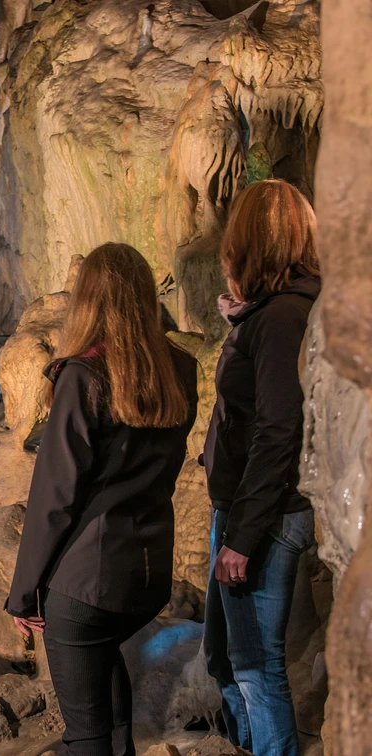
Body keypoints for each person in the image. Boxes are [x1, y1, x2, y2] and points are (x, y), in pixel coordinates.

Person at [6, 243, 198, 756]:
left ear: (88, 300)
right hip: (145, 574)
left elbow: (55, 497)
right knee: (112, 717)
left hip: (86, 583)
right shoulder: (180, 369)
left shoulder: (83, 376)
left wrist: (24, 592)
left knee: (85, 735)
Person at [203, 178, 320, 756]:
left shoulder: (280, 321)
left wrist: (242, 537)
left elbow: (280, 430)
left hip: (263, 517)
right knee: (226, 658)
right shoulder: (275, 313)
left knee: (255, 668)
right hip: (246, 510)